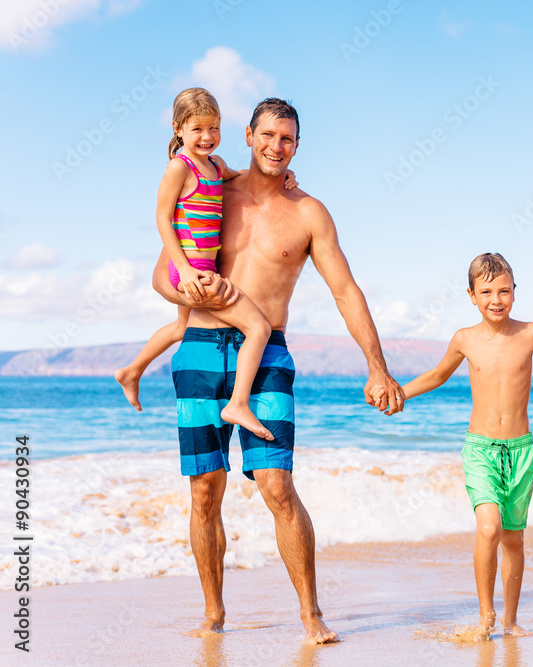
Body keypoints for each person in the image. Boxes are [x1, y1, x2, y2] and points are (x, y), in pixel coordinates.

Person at [151, 97, 405, 644]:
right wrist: (190, 288)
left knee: (278, 485)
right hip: (198, 345)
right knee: (204, 489)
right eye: (267, 135)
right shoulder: (214, 189)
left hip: (268, 352)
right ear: (247, 134)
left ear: (297, 145)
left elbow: (345, 290)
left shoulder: (308, 211)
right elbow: (161, 273)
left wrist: (376, 366)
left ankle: (311, 613)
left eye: (287, 138)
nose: (276, 146)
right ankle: (214, 612)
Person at [387, 253, 533, 641]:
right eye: (487, 291)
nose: (496, 299)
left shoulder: (530, 334)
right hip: (480, 449)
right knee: (488, 527)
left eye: (504, 290)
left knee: (513, 537)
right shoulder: (465, 338)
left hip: (521, 451)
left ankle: (510, 620)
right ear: (471, 296)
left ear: (514, 292)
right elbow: (438, 375)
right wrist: (399, 392)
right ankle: (485, 615)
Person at [114, 88, 295, 440]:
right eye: (197, 129)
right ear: (178, 128)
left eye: (213, 128)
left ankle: (132, 370)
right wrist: (183, 270)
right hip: (192, 271)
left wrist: (283, 175)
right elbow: (163, 220)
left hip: (201, 271)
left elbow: (246, 175)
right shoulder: (177, 169)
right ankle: (238, 403)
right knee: (258, 328)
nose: (207, 137)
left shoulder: (216, 166)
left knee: (181, 329)